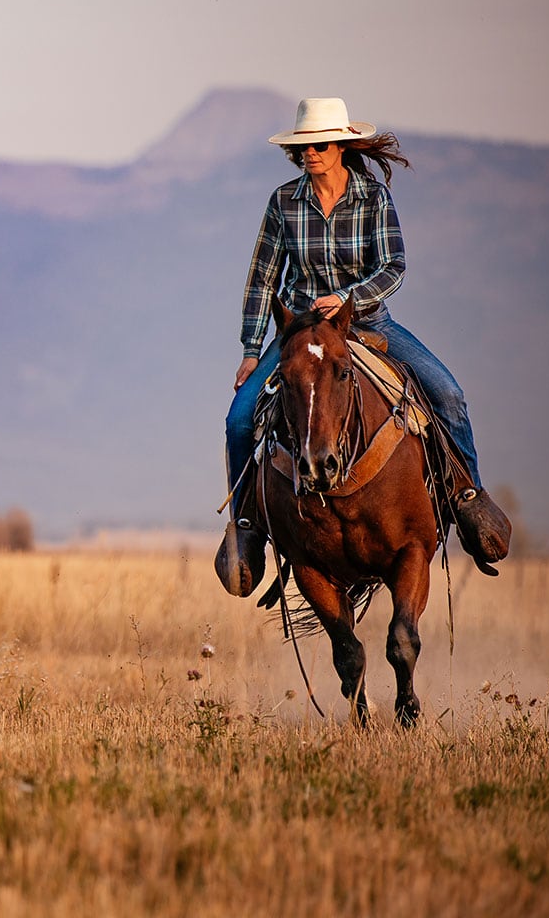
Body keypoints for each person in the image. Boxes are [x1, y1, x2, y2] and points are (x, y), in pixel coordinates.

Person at [216, 97, 511, 589]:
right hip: (301, 334)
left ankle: (467, 497)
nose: (310, 153)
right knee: (239, 419)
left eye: (321, 144)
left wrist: (347, 297)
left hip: (370, 322)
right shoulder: (283, 202)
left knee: (448, 394)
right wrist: (251, 350)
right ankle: (246, 526)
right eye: (303, 146)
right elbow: (261, 279)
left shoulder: (372, 197)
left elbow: (394, 265)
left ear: (342, 147)